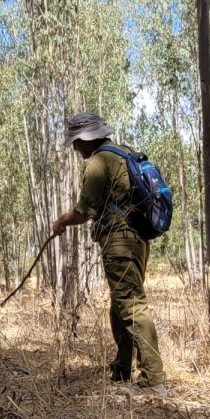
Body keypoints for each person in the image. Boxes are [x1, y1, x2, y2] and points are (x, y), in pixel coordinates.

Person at [51, 112, 167, 393]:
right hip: (138, 240)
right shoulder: (124, 153)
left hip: (119, 240)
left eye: (77, 142)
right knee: (120, 304)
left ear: (88, 139)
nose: (76, 148)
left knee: (131, 304)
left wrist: (61, 222)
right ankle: (122, 368)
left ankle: (153, 378)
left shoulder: (98, 162)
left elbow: (84, 210)